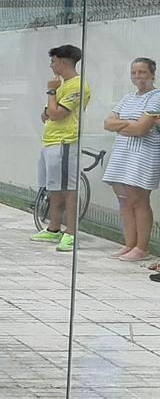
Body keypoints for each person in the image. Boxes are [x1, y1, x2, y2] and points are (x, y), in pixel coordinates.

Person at [29, 44, 91, 252]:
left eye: (53, 61)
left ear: (64, 62)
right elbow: (45, 114)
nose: (51, 65)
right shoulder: (62, 85)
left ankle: (71, 232)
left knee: (68, 188)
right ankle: (54, 227)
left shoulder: (77, 85)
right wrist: (51, 102)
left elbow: (55, 114)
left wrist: (51, 92)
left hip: (65, 142)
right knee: (53, 187)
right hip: (51, 141)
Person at [103, 57, 160, 262]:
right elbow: (107, 123)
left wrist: (124, 124)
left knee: (139, 200)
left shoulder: (156, 97)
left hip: (143, 155)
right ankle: (129, 243)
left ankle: (142, 247)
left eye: (143, 72)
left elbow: (141, 129)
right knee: (124, 200)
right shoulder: (127, 98)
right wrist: (130, 123)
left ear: (152, 74)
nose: (138, 77)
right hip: (122, 155)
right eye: (134, 72)